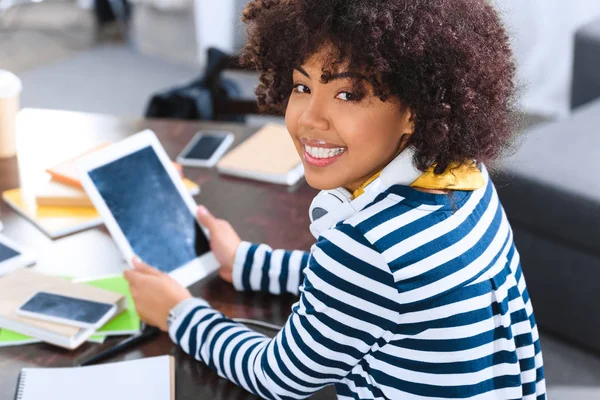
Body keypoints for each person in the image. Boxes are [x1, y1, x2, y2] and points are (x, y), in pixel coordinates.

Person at [124, 0, 546, 398]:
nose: (309, 118)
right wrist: (251, 263)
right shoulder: (466, 183)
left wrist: (179, 313)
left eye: (347, 94)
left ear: (414, 109)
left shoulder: (366, 247)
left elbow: (278, 377)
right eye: (301, 86)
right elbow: (374, 288)